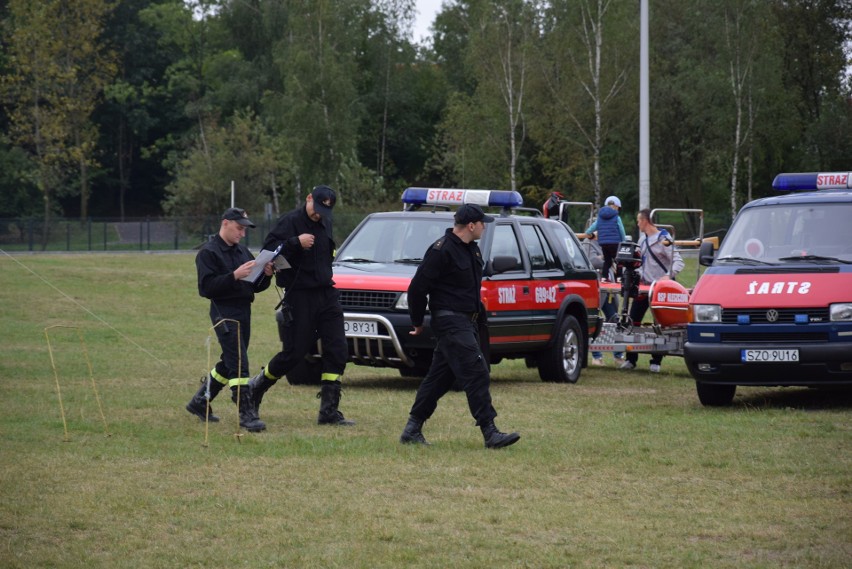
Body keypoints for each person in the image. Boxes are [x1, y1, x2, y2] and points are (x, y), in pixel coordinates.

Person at [399, 204, 520, 449]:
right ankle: (490, 432)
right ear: (471, 225)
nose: (485, 227)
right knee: (477, 372)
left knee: (439, 379)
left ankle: (412, 429)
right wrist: (417, 321)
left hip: (467, 322)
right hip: (450, 321)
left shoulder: (471, 251)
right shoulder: (441, 251)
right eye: (482, 223)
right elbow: (418, 288)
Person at [247, 185, 354, 426]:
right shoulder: (289, 222)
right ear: (308, 199)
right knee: (294, 354)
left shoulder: (325, 222)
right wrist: (295, 242)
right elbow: (268, 253)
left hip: (327, 293)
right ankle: (256, 388)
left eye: (323, 212)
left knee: (338, 350)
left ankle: (328, 411)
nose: (318, 215)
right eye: (316, 209)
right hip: (300, 295)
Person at [185, 207, 273, 432]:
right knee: (240, 362)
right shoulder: (208, 253)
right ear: (225, 223)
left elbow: (255, 285)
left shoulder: (242, 252)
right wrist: (234, 276)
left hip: (244, 310)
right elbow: (206, 288)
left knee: (230, 360)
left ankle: (200, 401)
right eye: (239, 228)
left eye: (244, 230)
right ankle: (246, 413)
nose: (242, 234)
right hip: (224, 312)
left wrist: (266, 274)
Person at [620, 208, 684, 373]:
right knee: (632, 321)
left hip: (661, 289)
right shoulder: (642, 240)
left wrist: (667, 277)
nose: (637, 223)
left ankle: (656, 361)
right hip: (644, 288)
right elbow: (642, 264)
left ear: (645, 221)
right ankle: (631, 359)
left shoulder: (664, 239)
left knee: (660, 325)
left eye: (638, 220)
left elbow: (678, 262)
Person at [584, 195, 626, 282]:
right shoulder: (617, 217)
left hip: (603, 243)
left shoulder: (600, 217)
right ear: (616, 207)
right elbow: (621, 230)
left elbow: (592, 227)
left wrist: (589, 233)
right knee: (619, 260)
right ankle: (619, 277)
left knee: (607, 261)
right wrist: (623, 241)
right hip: (615, 243)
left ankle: (604, 277)